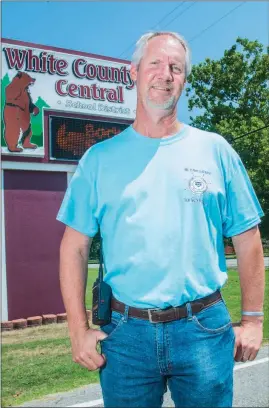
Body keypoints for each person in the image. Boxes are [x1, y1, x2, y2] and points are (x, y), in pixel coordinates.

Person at [57, 31, 265, 407]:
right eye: (154, 63)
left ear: (184, 79)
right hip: (124, 335)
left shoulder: (215, 150)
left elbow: (248, 238)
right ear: (133, 71)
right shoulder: (99, 160)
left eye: (176, 67)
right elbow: (74, 247)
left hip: (203, 328)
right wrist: (78, 331)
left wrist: (252, 319)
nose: (165, 74)